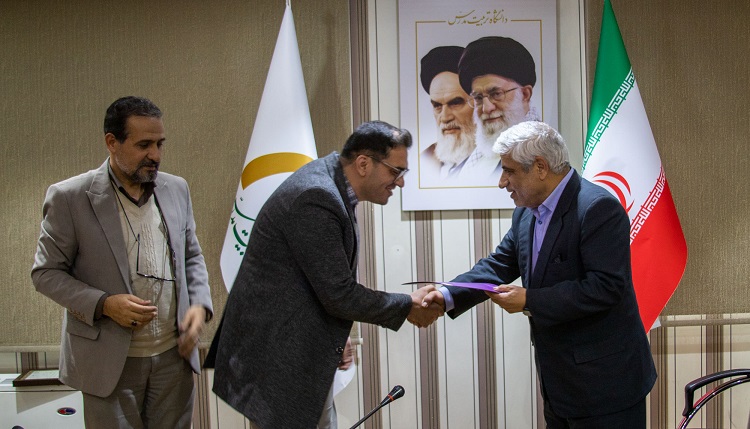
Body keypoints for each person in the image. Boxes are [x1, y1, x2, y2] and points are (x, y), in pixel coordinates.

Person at [207, 120, 443, 429]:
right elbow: (339, 294)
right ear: (363, 164)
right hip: (278, 359)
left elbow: (317, 283)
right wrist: (407, 304)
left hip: (297, 348)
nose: (400, 183)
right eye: (395, 171)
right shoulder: (316, 196)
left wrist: (334, 335)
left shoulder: (332, 184)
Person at [423, 121, 656, 428]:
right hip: (559, 385)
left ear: (540, 167)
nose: (502, 182)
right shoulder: (525, 211)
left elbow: (605, 287)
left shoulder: (597, 208)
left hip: (607, 386)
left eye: (509, 171)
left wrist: (530, 300)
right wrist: (447, 294)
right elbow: (499, 264)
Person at [31, 96, 213, 428]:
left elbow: (191, 256)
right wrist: (104, 304)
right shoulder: (69, 197)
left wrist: (200, 306)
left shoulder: (176, 189)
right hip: (109, 364)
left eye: (159, 144)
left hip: (173, 360)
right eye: (144, 145)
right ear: (112, 143)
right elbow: (46, 273)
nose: (155, 155)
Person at [456, 36, 541, 185]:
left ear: (525, 94)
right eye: (478, 98)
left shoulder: (541, 152)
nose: (486, 108)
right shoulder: (464, 166)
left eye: (496, 94)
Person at [418, 45, 476, 185]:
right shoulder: (424, 160)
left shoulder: (501, 160)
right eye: (437, 106)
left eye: (455, 103)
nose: (445, 117)